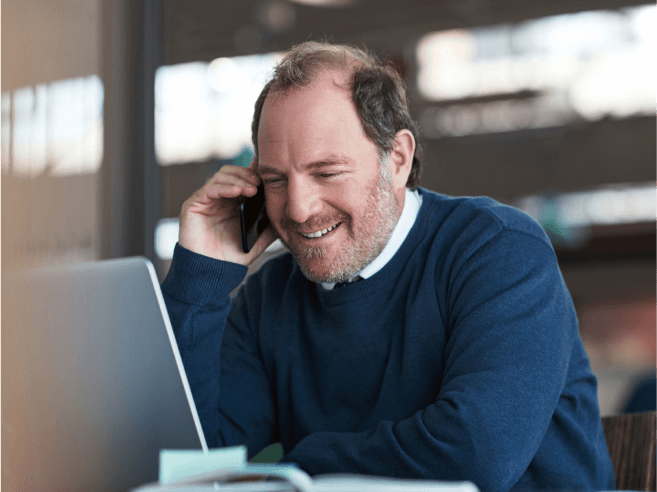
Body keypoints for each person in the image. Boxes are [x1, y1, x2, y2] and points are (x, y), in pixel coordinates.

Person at [161, 41, 615, 492]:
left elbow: (476, 455)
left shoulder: (498, 251)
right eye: (276, 180)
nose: (298, 210)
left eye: (326, 172)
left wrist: (299, 466)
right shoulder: (269, 296)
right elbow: (187, 467)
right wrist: (201, 280)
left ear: (396, 159)